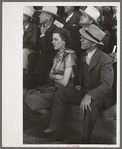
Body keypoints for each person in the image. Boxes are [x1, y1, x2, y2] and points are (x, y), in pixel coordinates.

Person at [43, 24, 114, 144]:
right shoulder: (83, 55)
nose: (81, 39)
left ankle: (85, 138)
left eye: (84, 38)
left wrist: (89, 95)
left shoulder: (105, 59)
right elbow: (81, 76)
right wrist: (78, 84)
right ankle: (56, 128)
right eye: (81, 37)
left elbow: (106, 85)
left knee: (91, 103)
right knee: (61, 92)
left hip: (100, 96)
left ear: (93, 43)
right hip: (84, 91)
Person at [24, 27, 77, 117]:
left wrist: (55, 77)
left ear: (64, 41)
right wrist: (59, 77)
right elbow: (50, 75)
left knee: (32, 98)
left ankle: (54, 118)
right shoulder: (57, 54)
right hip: (56, 87)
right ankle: (51, 117)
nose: (53, 42)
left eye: (56, 39)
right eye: (52, 39)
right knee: (29, 95)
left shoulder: (70, 55)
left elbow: (65, 83)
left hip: (64, 92)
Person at [34, 6, 60, 86]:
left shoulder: (55, 29)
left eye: (42, 14)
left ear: (48, 17)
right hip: (45, 55)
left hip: (53, 57)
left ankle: (39, 84)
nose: (39, 16)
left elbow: (46, 49)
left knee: (43, 57)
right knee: (32, 56)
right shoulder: (42, 27)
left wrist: (43, 35)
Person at [23, 6, 40, 88]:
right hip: (23, 48)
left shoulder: (34, 27)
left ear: (26, 17)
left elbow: (33, 44)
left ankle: (23, 76)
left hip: (30, 50)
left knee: (23, 52)